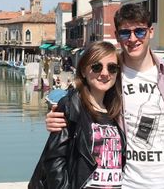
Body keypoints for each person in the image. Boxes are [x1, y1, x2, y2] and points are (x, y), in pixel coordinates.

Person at [46, 3, 164, 189]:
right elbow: (81, 103)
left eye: (140, 31)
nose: (133, 39)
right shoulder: (111, 74)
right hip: (131, 184)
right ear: (117, 36)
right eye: (125, 33)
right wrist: (57, 119)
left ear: (151, 32)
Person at [29, 41, 126, 188]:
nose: (105, 73)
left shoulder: (117, 111)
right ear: (84, 71)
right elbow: (55, 160)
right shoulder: (71, 105)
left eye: (112, 68)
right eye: (96, 67)